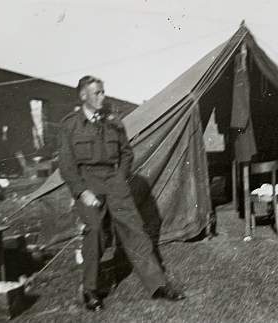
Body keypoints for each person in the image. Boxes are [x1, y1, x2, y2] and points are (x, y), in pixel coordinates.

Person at [58, 76, 185, 312]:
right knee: (95, 230)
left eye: (103, 92)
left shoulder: (114, 122)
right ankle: (90, 290)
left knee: (135, 229)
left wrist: (120, 177)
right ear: (83, 95)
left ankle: (158, 285)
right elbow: (66, 166)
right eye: (97, 93)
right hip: (87, 183)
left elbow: (126, 153)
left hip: (114, 182)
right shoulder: (70, 125)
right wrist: (82, 191)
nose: (102, 97)